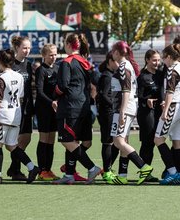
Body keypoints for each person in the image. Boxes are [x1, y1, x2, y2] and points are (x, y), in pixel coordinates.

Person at [53, 33, 101, 185]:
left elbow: (63, 85)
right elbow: (96, 81)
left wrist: (54, 93)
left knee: (67, 141)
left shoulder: (67, 62)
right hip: (84, 106)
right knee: (78, 141)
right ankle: (69, 174)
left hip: (70, 107)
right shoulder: (85, 62)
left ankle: (92, 168)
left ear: (68, 44)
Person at [0, 49, 40, 184]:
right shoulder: (19, 76)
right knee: (11, 146)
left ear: (0, 62)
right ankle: (32, 167)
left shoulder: (1, 78)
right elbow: (21, 96)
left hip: (3, 115)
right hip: (16, 115)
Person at [109, 41, 153, 185]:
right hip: (127, 107)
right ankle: (122, 175)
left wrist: (121, 111)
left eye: (113, 51)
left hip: (124, 108)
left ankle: (143, 166)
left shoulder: (123, 66)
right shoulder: (127, 65)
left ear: (117, 52)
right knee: (124, 141)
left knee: (118, 141)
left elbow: (126, 90)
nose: (111, 53)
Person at [8, 35, 34, 181]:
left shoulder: (28, 65)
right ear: (17, 48)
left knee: (26, 138)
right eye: (24, 48)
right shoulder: (11, 64)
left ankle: (13, 167)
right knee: (14, 140)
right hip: (14, 108)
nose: (27, 50)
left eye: (29, 48)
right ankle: (16, 170)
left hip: (27, 107)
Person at [153, 43, 180, 184]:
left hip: (174, 106)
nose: (163, 61)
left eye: (164, 58)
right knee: (177, 142)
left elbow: (170, 92)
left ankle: (173, 172)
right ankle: (178, 173)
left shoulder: (172, 69)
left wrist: (165, 110)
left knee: (158, 139)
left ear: (169, 57)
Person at [137, 50, 163, 182]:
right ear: (147, 60)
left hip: (159, 112)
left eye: (158, 60)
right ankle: (145, 172)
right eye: (154, 60)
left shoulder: (160, 74)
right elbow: (138, 96)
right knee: (148, 143)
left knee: (156, 141)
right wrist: (146, 100)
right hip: (146, 113)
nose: (157, 63)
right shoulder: (142, 77)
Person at [35, 44, 59, 181]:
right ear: (44, 55)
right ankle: (42, 171)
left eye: (55, 54)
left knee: (51, 140)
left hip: (54, 109)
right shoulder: (41, 70)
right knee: (44, 139)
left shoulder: (57, 68)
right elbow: (39, 91)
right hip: (43, 109)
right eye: (50, 55)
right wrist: (51, 102)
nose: (53, 57)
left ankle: (48, 170)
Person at [96, 53, 120, 183]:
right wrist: (115, 105)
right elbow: (104, 95)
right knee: (108, 142)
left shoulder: (111, 75)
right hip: (107, 113)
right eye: (116, 61)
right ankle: (106, 171)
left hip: (111, 112)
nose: (118, 63)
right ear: (110, 61)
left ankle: (108, 169)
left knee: (115, 141)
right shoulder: (106, 76)